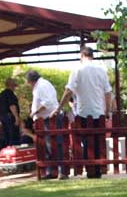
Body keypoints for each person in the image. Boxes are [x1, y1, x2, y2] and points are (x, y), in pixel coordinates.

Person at [55, 46, 113, 178]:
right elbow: (108, 92)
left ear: (81, 56)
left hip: (83, 112)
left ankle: (90, 169)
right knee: (98, 142)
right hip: (99, 111)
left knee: (86, 142)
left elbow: (69, 90)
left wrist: (59, 107)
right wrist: (107, 110)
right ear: (92, 56)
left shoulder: (77, 70)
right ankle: (97, 169)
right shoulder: (101, 70)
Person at [26, 69, 64, 179]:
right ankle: (52, 171)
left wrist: (35, 112)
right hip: (46, 118)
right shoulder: (43, 84)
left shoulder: (41, 86)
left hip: (50, 118)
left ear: (31, 81)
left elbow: (47, 103)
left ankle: (58, 171)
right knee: (48, 146)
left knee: (55, 145)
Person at [0, 78, 21, 147]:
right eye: (14, 86)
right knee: (13, 136)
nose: (14, 88)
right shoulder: (10, 94)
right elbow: (12, 105)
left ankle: (7, 150)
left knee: (6, 136)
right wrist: (16, 117)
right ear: (11, 85)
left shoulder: (0, 95)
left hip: (3, 117)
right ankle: (13, 150)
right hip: (10, 117)